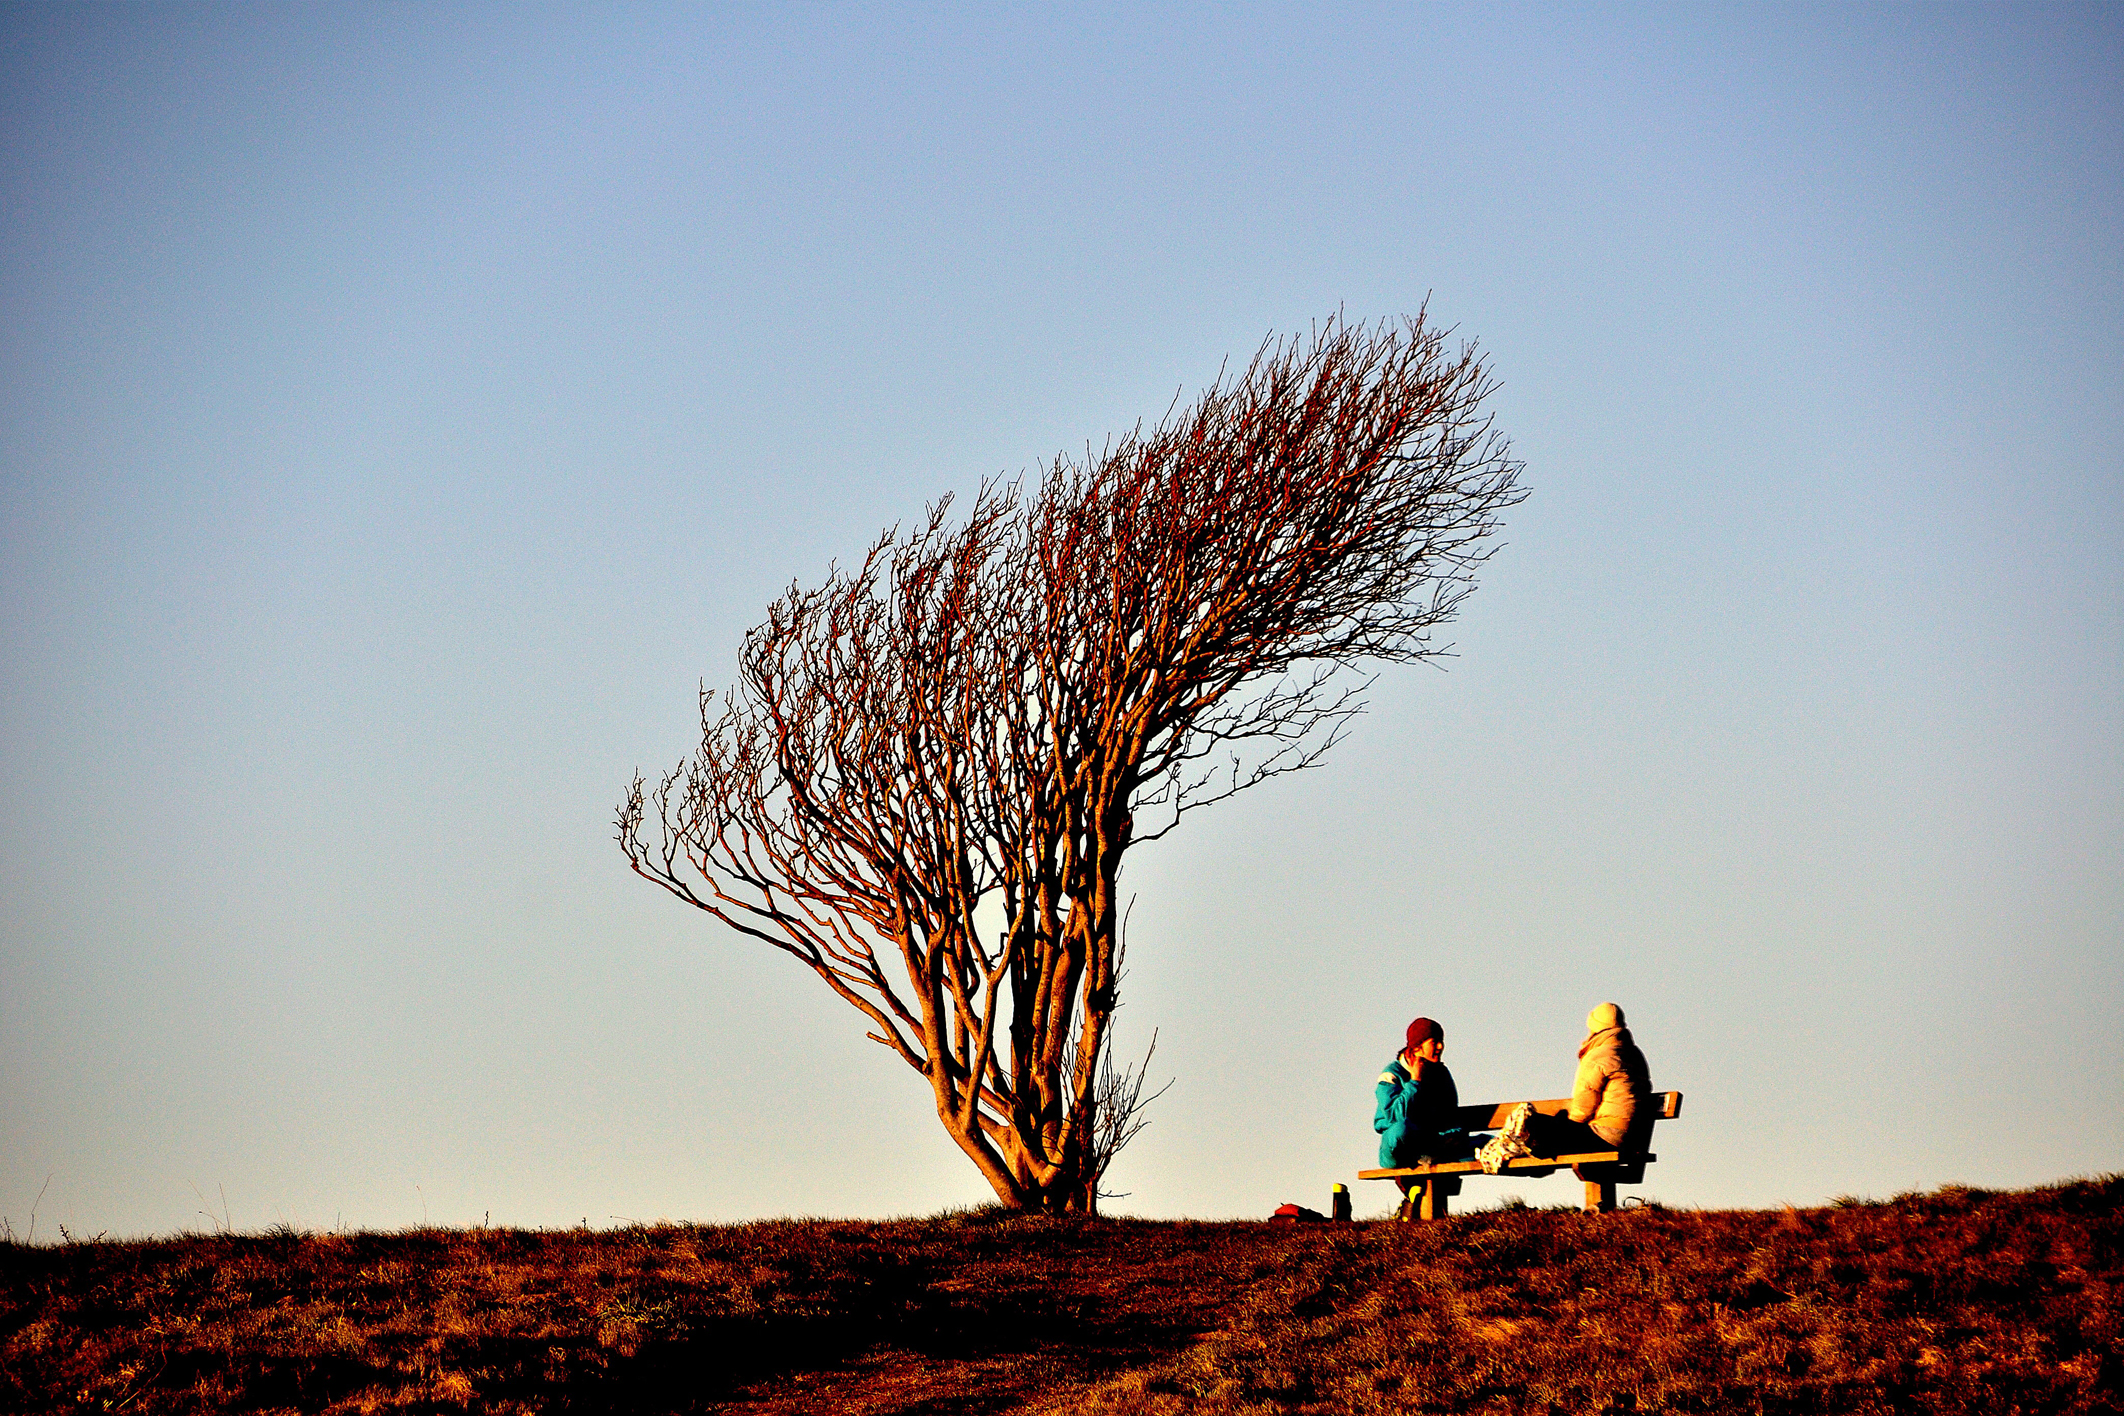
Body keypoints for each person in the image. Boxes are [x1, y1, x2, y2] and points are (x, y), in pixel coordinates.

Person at [1530, 1001, 1654, 1157]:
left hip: (1606, 1136)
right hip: (1634, 1137)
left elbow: (1584, 1107)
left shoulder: (1598, 1055)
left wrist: (1568, 1128)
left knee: (1531, 1124)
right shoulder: (1634, 1053)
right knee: (1545, 1130)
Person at [1374, 1016, 1475, 1173]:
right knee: (1401, 1129)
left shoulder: (1442, 1074)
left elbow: (1450, 1115)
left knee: (1484, 1144)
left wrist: (1452, 1137)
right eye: (1434, 1042)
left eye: (1441, 1041)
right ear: (1417, 1047)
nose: (1440, 1047)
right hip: (1398, 1147)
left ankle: (1433, 1155)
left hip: (1431, 1144)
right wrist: (1415, 1081)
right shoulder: (1391, 1075)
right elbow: (1395, 1116)